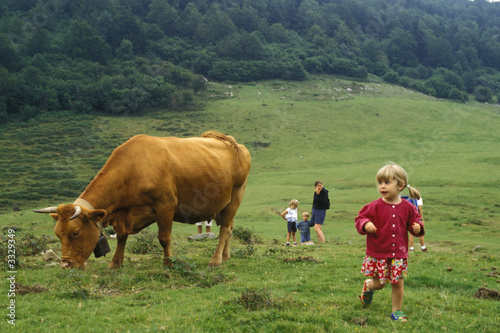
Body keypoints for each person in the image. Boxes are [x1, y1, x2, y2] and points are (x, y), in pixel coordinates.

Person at [355, 164, 425, 322]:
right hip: (378, 252)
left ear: (400, 185)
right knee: (379, 283)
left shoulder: (408, 207)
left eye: (387, 182)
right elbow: (360, 218)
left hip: (398, 254)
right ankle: (368, 285)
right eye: (380, 183)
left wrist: (417, 227)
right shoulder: (374, 206)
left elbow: (416, 223)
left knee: (397, 283)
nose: (382, 186)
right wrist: (365, 224)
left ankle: (397, 311)